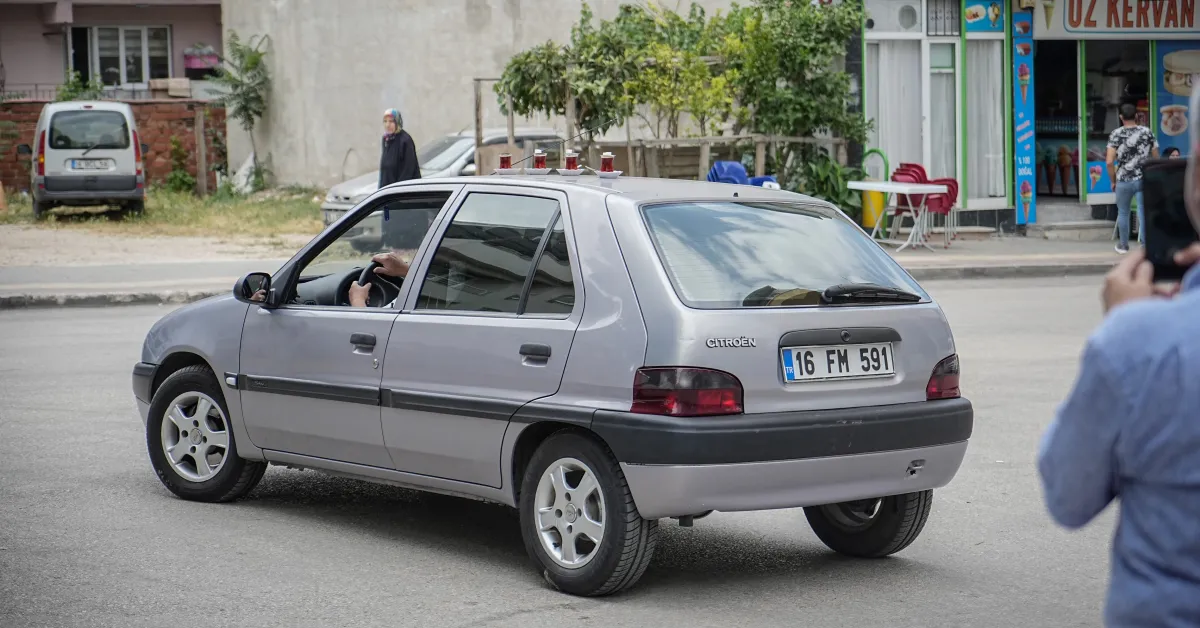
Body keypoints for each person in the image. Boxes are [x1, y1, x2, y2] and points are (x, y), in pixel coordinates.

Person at [1038, 85, 1200, 627]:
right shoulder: (1150, 136)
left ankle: (1119, 240)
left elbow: (1067, 498)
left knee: (1127, 221)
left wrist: (1126, 323)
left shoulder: (1142, 341)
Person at [1106, 103, 1159, 253]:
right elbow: (1156, 157)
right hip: (1144, 178)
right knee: (1144, 211)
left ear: (1121, 117)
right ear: (1136, 116)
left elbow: (1109, 162)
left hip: (1123, 179)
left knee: (1123, 212)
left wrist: (1113, 181)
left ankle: (1123, 245)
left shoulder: (1116, 134)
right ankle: (1145, 245)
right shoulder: (1147, 132)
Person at [379, 108, 420, 188]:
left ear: (397, 122)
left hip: (403, 193)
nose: (388, 125)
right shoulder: (386, 139)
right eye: (385, 121)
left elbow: (408, 171)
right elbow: (385, 170)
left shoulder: (405, 140)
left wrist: (396, 191)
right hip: (387, 191)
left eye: (391, 121)